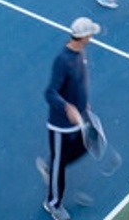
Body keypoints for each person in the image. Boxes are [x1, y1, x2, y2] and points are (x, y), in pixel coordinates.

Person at [40, 17, 101, 220]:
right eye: (90, 34)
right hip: (60, 126)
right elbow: (50, 92)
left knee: (86, 146)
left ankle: (52, 166)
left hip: (79, 118)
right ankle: (53, 203)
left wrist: (83, 105)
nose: (92, 36)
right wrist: (67, 108)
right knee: (60, 162)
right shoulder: (63, 60)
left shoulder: (80, 52)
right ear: (82, 37)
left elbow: (79, 83)